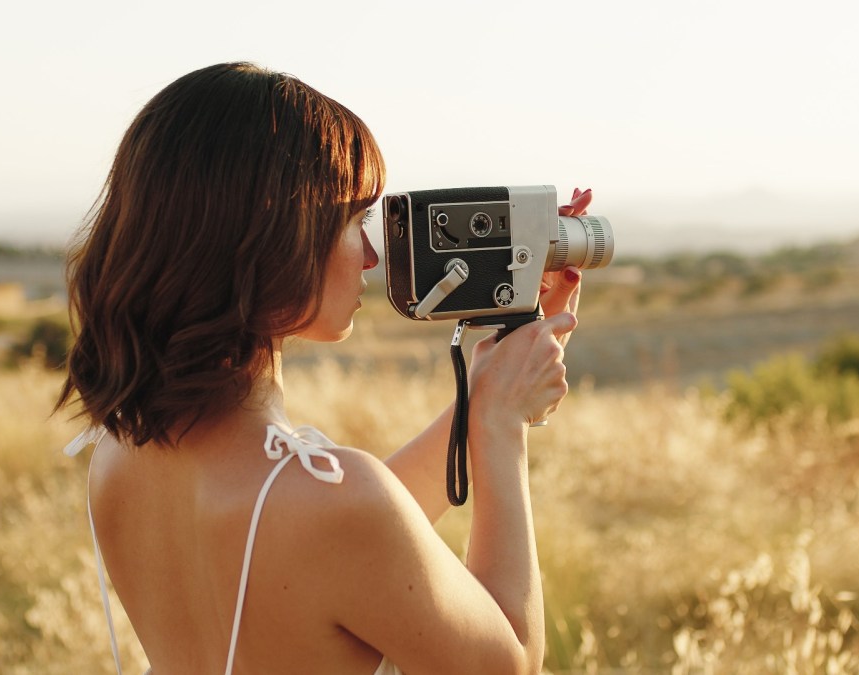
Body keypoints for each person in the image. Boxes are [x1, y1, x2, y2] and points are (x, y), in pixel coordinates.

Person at [57, 62, 590, 675]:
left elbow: (342, 537)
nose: (369, 256)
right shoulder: (331, 505)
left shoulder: (121, 455)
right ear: (271, 239)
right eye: (353, 221)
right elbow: (510, 664)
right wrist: (499, 426)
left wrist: (487, 389)